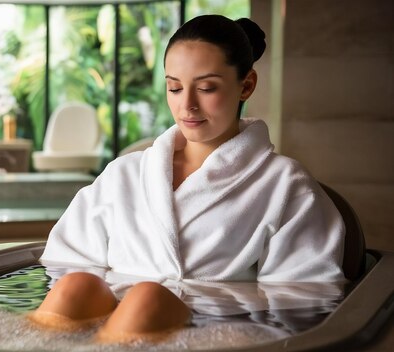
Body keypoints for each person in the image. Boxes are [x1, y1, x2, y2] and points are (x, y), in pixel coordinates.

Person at [28, 14, 346, 344]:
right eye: (174, 88)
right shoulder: (125, 173)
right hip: (109, 329)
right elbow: (64, 264)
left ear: (246, 85)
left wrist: (172, 303)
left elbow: (304, 299)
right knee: (74, 287)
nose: (187, 106)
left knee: (146, 298)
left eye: (207, 88)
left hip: (218, 332)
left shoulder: (285, 185)